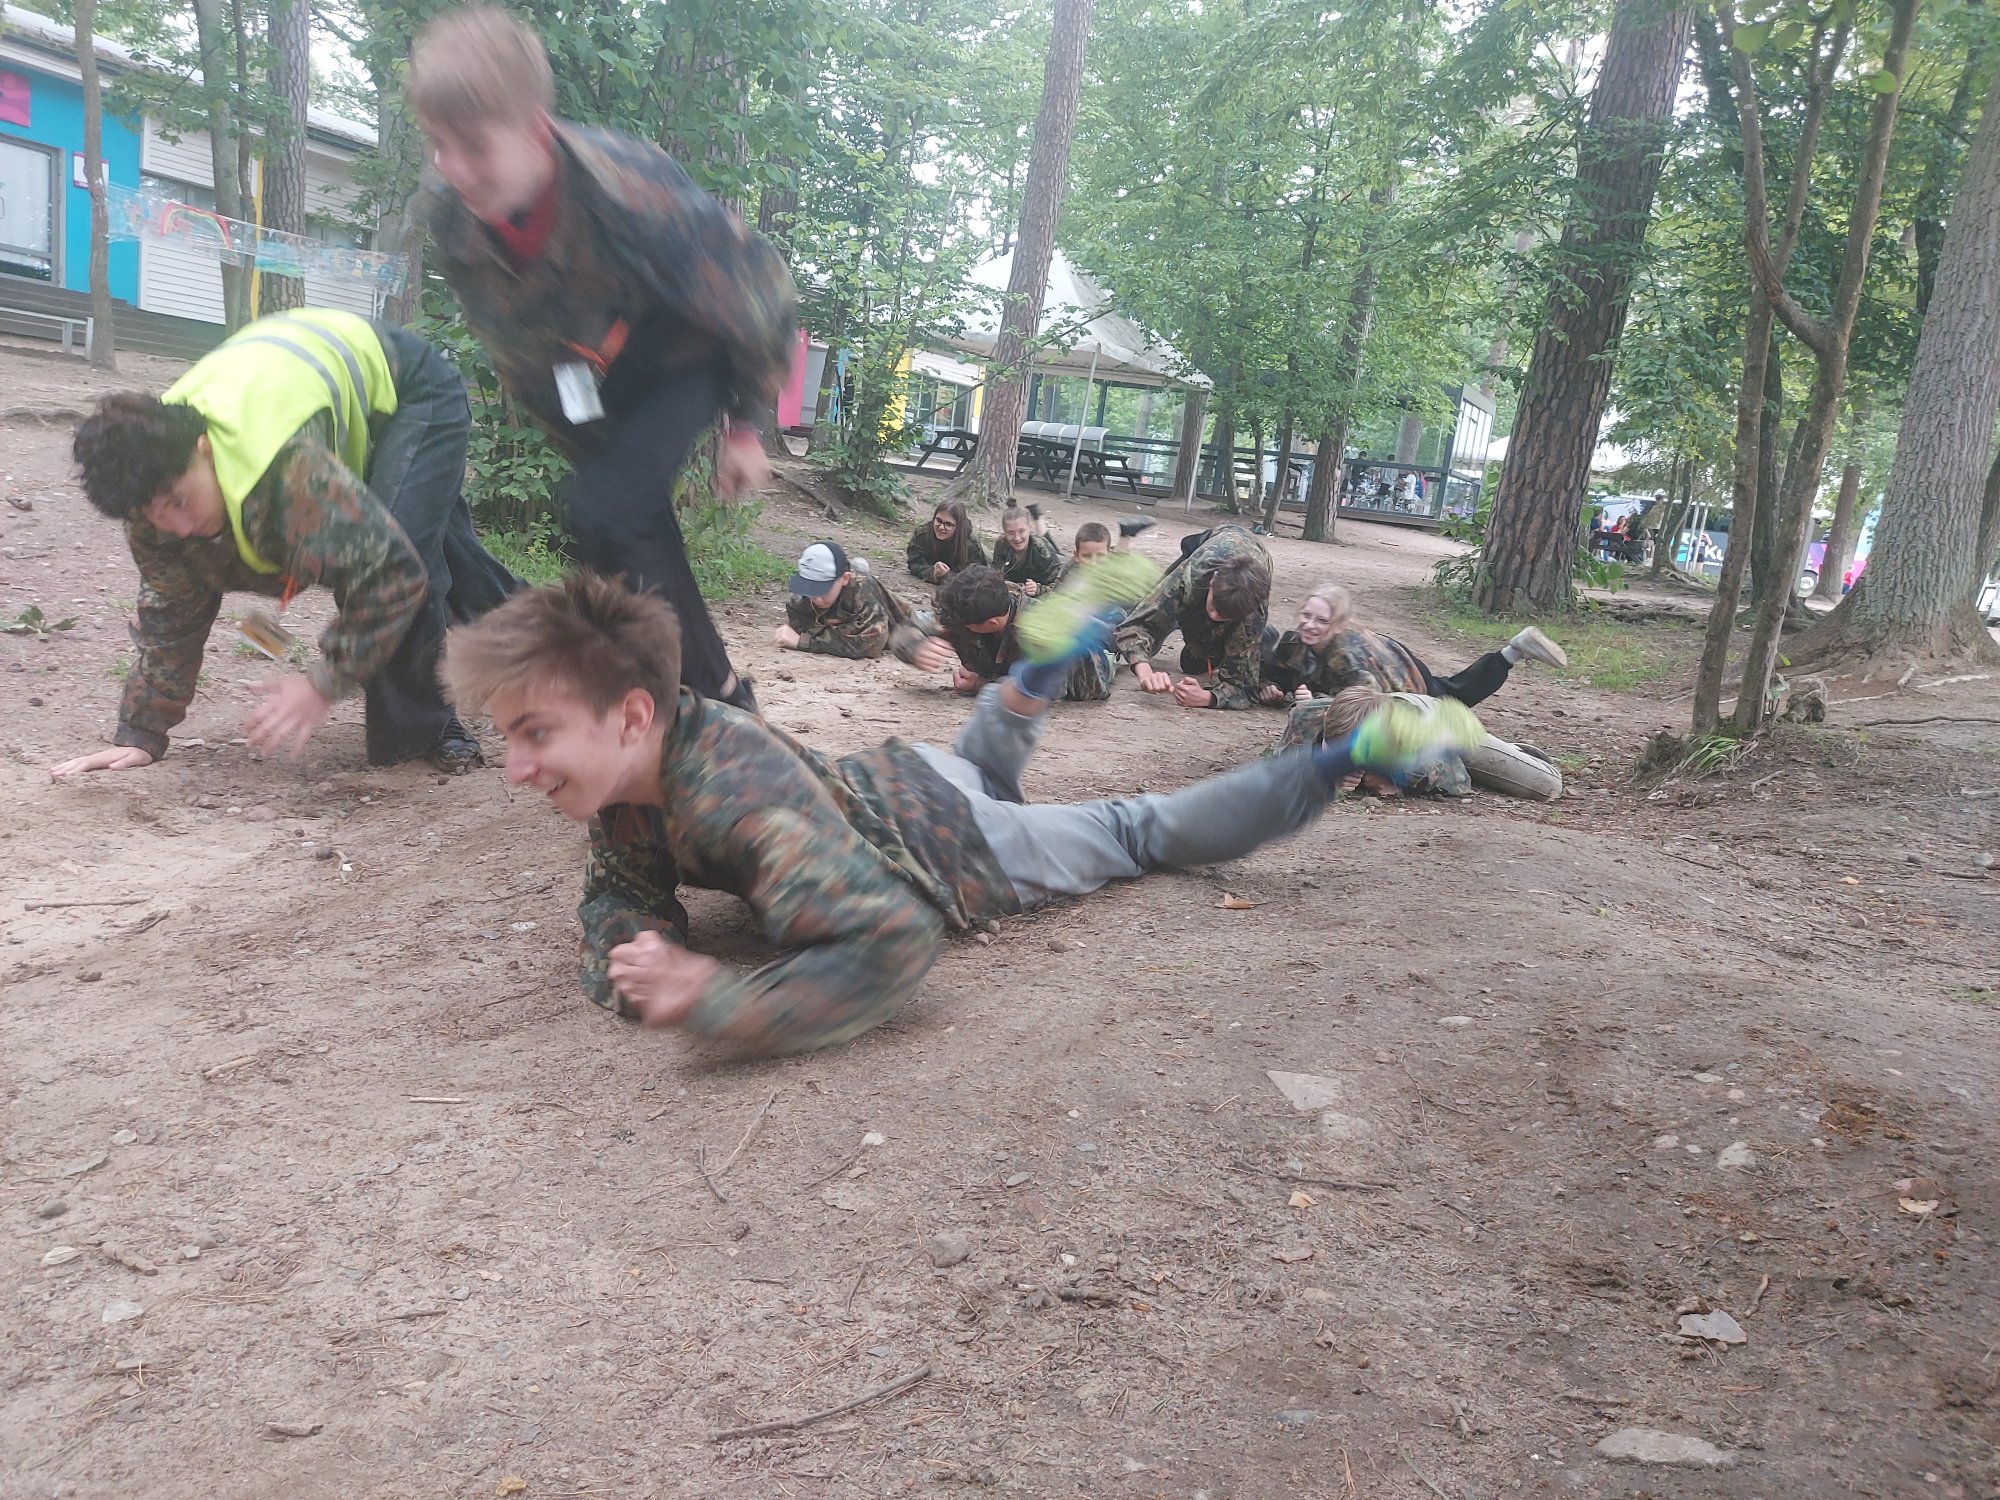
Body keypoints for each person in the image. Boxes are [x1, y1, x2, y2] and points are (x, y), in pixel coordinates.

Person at [438, 567, 1484, 1057]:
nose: (514, 768)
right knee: (983, 766)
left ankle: (1342, 755)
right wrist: (632, 950)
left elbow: (891, 942)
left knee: (1138, 829)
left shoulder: (735, 797)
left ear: (629, 716)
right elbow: (619, 891)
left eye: (534, 735)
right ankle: (1039, 672)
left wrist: (709, 997)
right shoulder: (635, 769)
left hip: (951, 837)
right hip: (910, 775)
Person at [409, 5, 795, 715]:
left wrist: (746, 423)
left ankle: (707, 707)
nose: (453, 169)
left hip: (689, 348)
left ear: (535, 132)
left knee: (609, 508)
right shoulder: (451, 212)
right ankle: (712, 698)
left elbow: (763, 292)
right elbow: (516, 349)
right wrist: (586, 441)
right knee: (605, 522)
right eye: (438, 143)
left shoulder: (631, 191)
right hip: (586, 373)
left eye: (474, 147)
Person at [53, 308, 518, 778]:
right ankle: (539, 636)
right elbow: (172, 616)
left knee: (403, 548)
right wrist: (140, 733)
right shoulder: (146, 502)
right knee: (424, 539)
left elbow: (388, 573)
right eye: (158, 515)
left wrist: (323, 682)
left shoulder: (282, 470)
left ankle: (422, 735)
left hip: (408, 387)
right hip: (307, 386)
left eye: (181, 500)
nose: (180, 525)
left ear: (204, 449)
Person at [1261, 583, 1565, 791]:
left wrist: (1314, 701)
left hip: (1410, 694)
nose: (1310, 624)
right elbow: (1278, 671)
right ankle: (1511, 654)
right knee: (1457, 691)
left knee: (1457, 699)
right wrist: (1270, 686)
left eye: (1321, 621)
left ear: (1339, 625)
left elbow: (1362, 707)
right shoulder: (1295, 643)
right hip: (1399, 672)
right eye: (1306, 616)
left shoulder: (1347, 659)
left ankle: (1512, 655)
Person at [1114, 524, 1272, 709]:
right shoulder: (1192, 575)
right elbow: (1135, 625)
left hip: (1254, 565)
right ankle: (1176, 616)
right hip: (1213, 543)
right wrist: (1145, 673)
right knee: (1146, 622)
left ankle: (1213, 638)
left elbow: (1245, 688)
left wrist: (1208, 698)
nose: (1214, 616)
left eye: (1224, 616)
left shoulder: (1253, 612)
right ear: (1212, 581)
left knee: (1194, 663)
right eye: (1213, 605)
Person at [774, 540, 903, 660]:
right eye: (810, 588)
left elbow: (871, 643)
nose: (816, 598)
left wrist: (803, 642)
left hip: (909, 629)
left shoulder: (862, 587)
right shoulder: (803, 598)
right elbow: (799, 624)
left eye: (822, 589)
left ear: (845, 578)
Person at [906, 499, 985, 585]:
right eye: (938, 521)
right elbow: (914, 562)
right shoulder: (923, 533)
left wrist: (948, 576)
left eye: (948, 524)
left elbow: (975, 577)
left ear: (958, 527)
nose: (941, 527)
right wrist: (932, 572)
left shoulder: (970, 544)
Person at [990, 505, 1063, 596]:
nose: (1017, 538)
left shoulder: (1042, 551)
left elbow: (1059, 587)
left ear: (1030, 528)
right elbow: (997, 575)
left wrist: (1038, 589)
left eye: (1021, 531)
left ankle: (1038, 515)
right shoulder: (1002, 545)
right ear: (1004, 532)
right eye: (1011, 533)